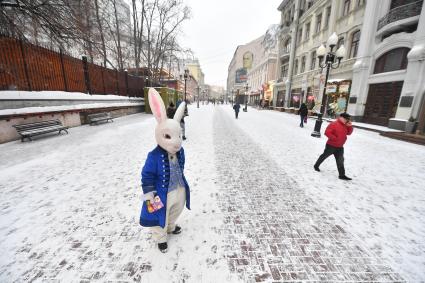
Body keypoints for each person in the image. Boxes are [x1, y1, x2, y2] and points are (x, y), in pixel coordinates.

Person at [140, 88, 191, 253]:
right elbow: (146, 175)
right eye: (169, 137)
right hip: (161, 192)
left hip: (178, 187)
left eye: (178, 136)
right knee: (157, 215)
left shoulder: (180, 151)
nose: (176, 143)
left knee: (177, 208)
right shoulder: (153, 156)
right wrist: (150, 194)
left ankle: (170, 226)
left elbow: (180, 165)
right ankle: (160, 237)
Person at [314, 112, 353, 180]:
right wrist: (335, 139)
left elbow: (349, 133)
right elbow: (327, 132)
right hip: (331, 145)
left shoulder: (345, 125)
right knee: (324, 156)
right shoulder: (334, 124)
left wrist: (350, 126)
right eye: (346, 119)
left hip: (340, 147)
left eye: (348, 119)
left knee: (340, 160)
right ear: (341, 118)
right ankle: (316, 165)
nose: (347, 120)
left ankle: (342, 175)